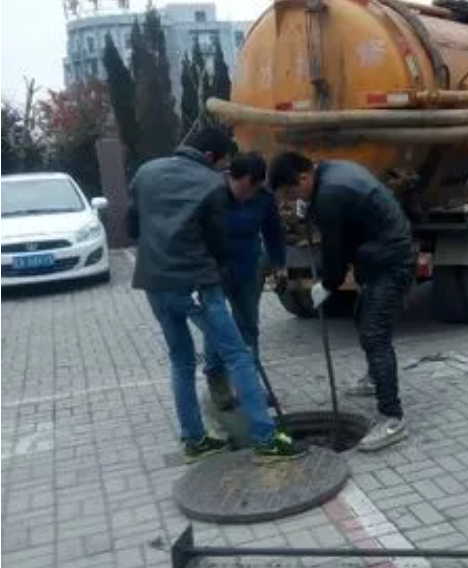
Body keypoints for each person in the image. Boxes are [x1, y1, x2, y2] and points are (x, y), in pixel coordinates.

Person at [127, 126, 304, 463]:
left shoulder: (146, 172)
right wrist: (217, 276)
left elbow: (132, 226)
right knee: (237, 354)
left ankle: (194, 440)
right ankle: (266, 439)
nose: (223, 169)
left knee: (180, 360)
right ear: (210, 157)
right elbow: (218, 241)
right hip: (197, 284)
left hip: (154, 282)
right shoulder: (211, 185)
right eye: (222, 161)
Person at [268, 152, 414, 452]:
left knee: (375, 333)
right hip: (377, 254)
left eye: (292, 192)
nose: (291, 198)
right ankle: (376, 379)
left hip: (391, 259)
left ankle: (392, 417)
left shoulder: (331, 193)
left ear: (305, 177)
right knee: (365, 319)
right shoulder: (329, 172)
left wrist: (328, 284)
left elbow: (335, 251)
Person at [203, 152, 288, 408]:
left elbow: (273, 233)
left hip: (248, 268)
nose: (248, 194)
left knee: (248, 326)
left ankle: (250, 385)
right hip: (214, 271)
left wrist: (280, 265)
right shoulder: (211, 193)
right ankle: (218, 383)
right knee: (217, 327)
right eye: (245, 187)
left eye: (254, 189)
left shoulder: (262, 198)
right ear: (232, 177)